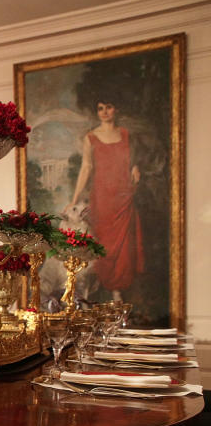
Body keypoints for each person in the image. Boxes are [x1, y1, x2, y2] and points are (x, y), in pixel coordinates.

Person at [67, 100, 144, 301]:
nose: (104, 112)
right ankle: (104, 292)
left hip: (123, 196)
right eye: (100, 108)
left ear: (116, 108)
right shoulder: (91, 137)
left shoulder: (126, 134)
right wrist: (74, 200)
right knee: (104, 244)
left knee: (124, 247)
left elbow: (131, 160)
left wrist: (134, 168)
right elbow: (86, 168)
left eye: (109, 107)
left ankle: (118, 294)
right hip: (102, 197)